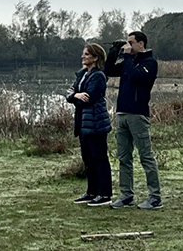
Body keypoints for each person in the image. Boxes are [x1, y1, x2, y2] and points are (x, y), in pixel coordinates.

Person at [105, 31, 162, 210]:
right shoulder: (130, 61)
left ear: (141, 44)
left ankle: (155, 197)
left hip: (138, 114)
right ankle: (126, 195)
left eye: (131, 43)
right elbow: (110, 70)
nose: (128, 46)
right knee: (124, 157)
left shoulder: (149, 63)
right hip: (121, 113)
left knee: (146, 156)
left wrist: (128, 57)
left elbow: (137, 76)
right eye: (126, 43)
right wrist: (114, 52)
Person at [65, 43, 112, 207]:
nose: (83, 57)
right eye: (83, 54)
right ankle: (91, 192)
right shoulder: (82, 74)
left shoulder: (98, 76)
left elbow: (89, 99)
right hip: (83, 123)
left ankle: (105, 194)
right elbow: (70, 94)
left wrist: (75, 97)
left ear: (95, 58)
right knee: (88, 159)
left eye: (86, 54)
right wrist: (75, 95)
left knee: (99, 158)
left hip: (96, 123)